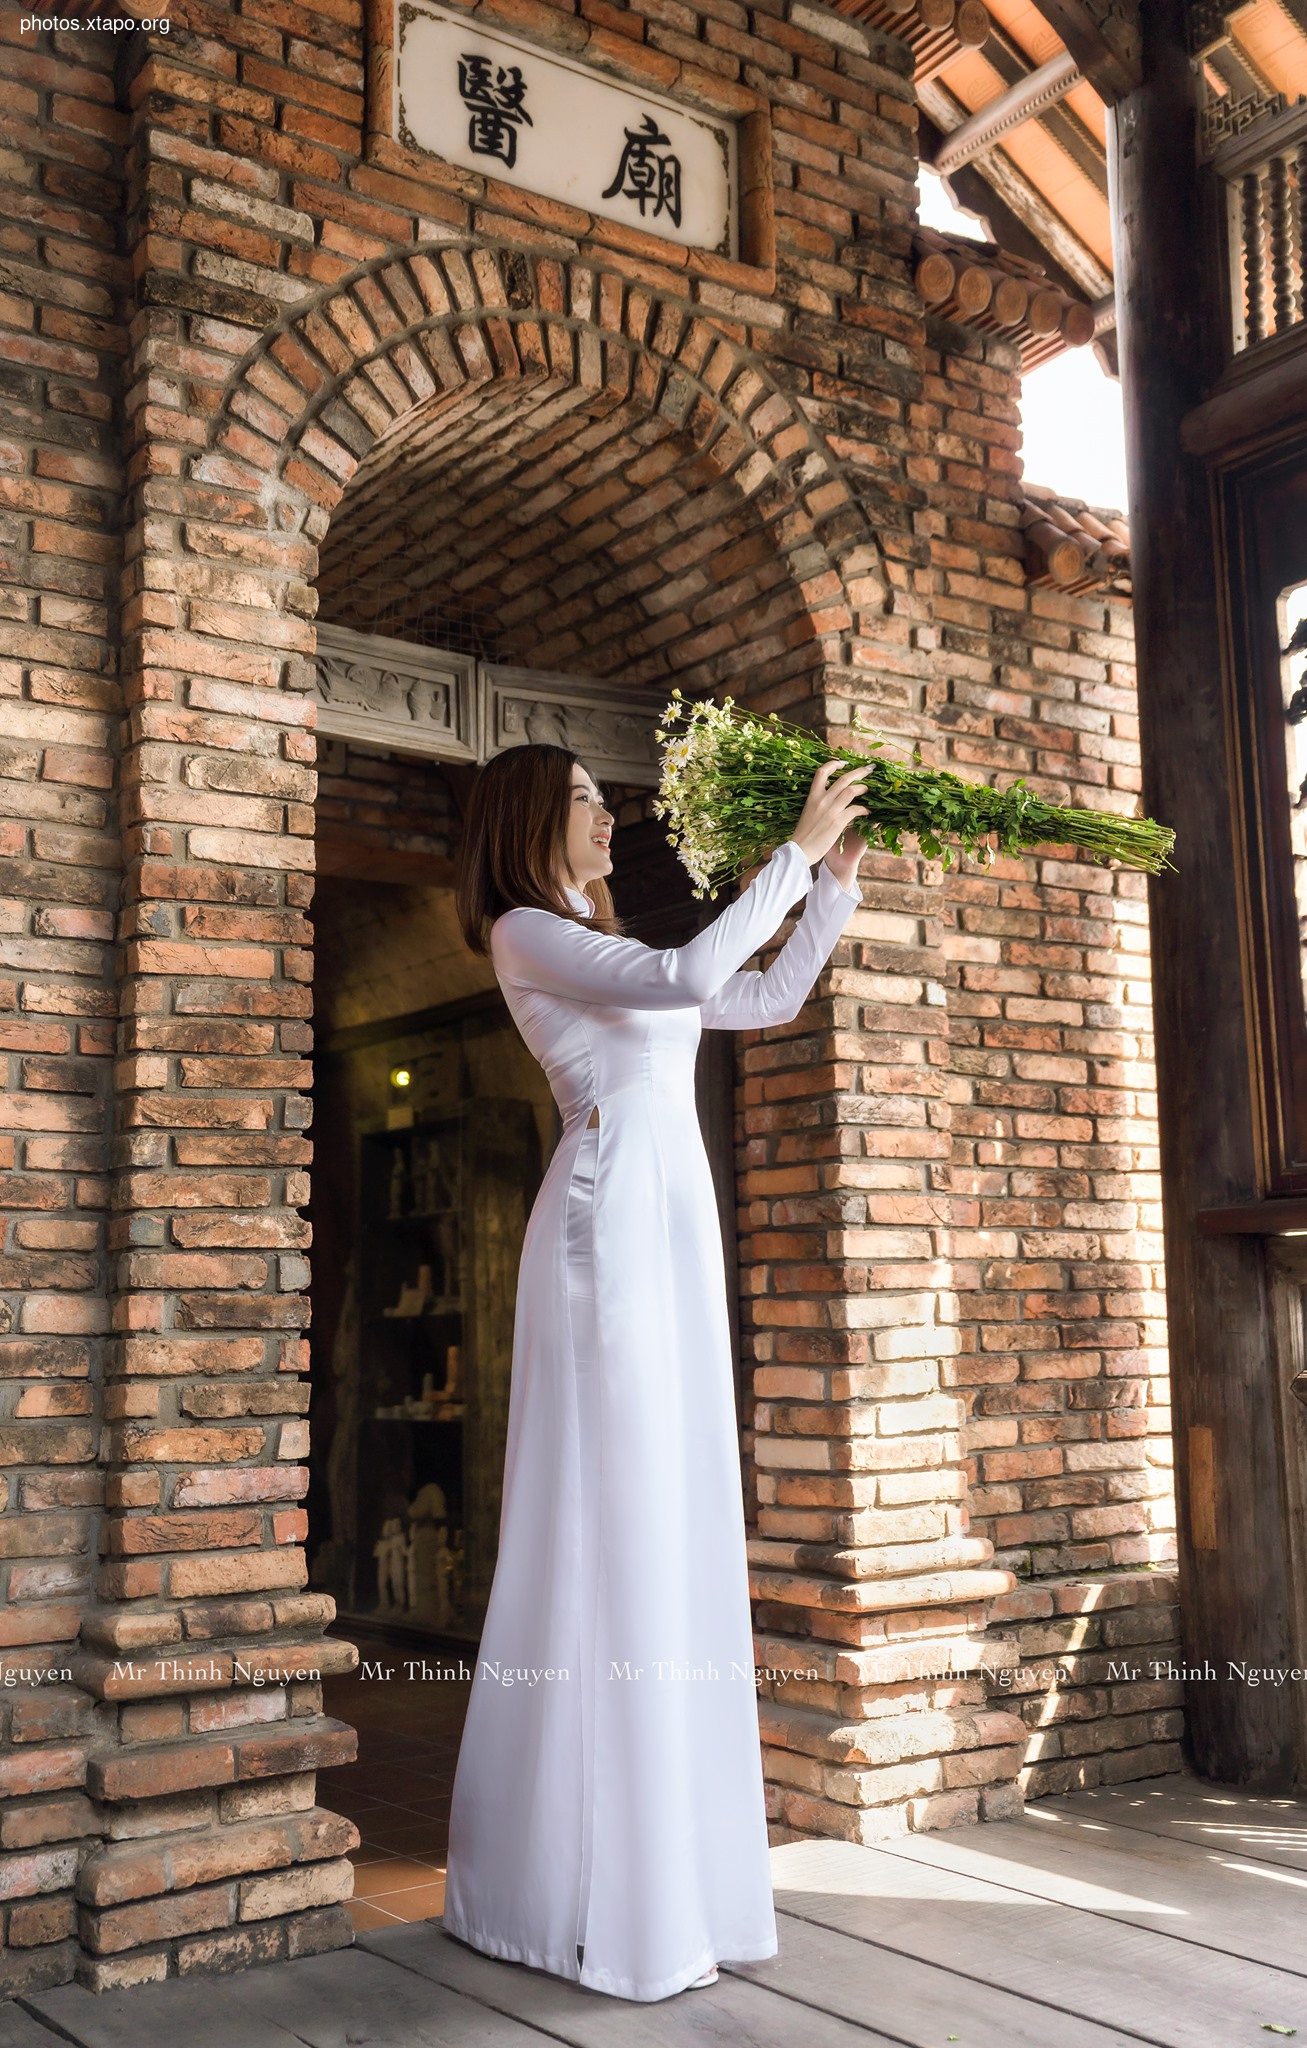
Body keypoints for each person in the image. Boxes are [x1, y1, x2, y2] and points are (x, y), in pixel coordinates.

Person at [444, 740, 871, 2003]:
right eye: (578, 797)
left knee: (674, 1515)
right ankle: (579, 1890)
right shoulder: (528, 931)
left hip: (669, 1224)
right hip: (605, 1231)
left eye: (599, 793)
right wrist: (786, 853)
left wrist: (830, 883)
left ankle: (677, 1875)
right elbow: (693, 965)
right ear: (527, 820)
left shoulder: (609, 951)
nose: (604, 811)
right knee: (614, 1522)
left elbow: (754, 998)